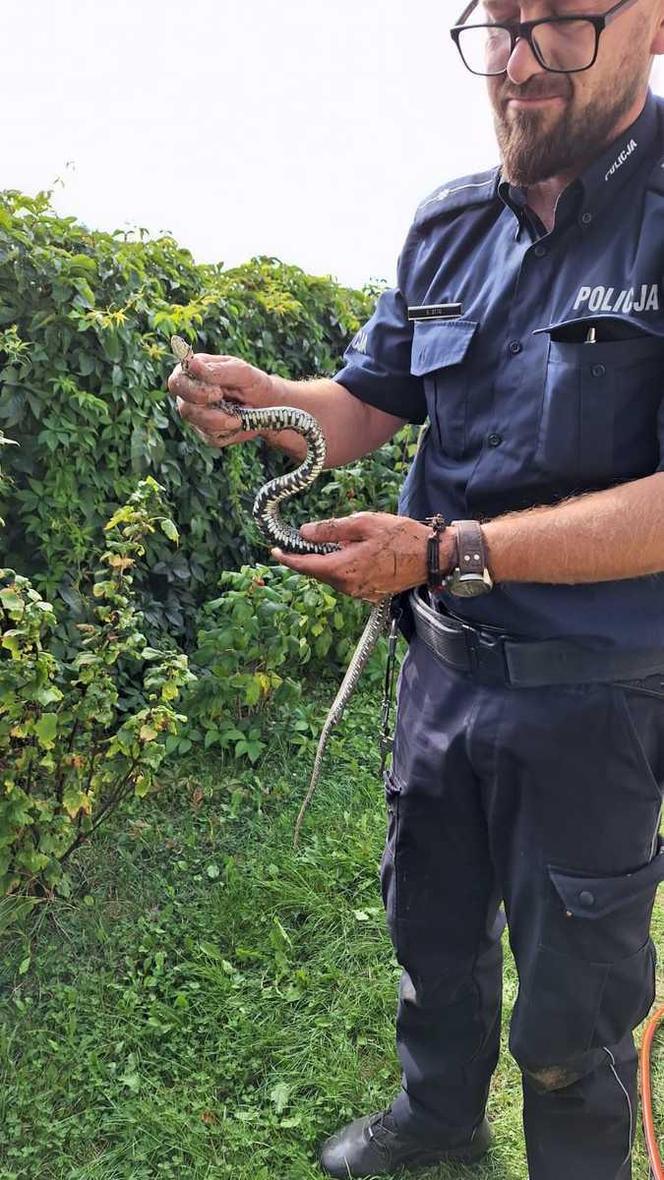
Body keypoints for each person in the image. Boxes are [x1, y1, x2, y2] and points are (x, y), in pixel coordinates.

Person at [170, 1, 664, 1175]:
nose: (517, 62)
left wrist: (445, 548)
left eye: (563, 23)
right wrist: (270, 405)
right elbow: (363, 403)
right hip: (439, 682)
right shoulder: (446, 225)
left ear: (649, 22)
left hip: (593, 699)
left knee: (574, 1004)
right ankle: (434, 1120)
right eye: (496, 26)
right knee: (430, 931)